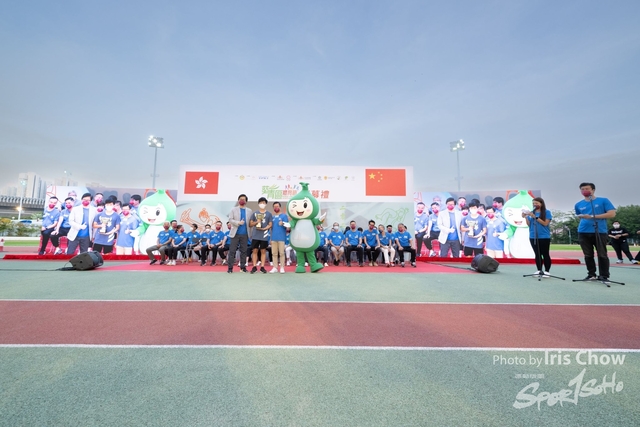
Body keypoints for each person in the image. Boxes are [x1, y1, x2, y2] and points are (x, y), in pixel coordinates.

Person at [575, 182, 616, 281]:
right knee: (588, 255)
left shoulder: (603, 200)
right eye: (582, 189)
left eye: (587, 189)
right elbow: (579, 215)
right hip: (583, 231)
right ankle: (591, 274)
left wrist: (593, 216)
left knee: (602, 254)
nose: (584, 191)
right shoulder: (578, 204)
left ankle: (604, 275)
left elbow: (612, 214)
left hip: (599, 231)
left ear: (593, 190)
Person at [523, 197, 553, 276]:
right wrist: (526, 217)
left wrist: (535, 217)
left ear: (541, 204)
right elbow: (529, 224)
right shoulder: (532, 212)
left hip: (544, 236)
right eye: (533, 203)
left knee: (545, 254)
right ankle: (539, 270)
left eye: (536, 203)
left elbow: (545, 223)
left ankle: (547, 271)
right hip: (533, 236)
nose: (535, 205)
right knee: (537, 254)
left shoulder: (547, 212)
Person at [227, 194, 252, 273]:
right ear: (238, 200)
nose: (242, 200)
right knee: (232, 251)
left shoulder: (249, 211)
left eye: (243, 199)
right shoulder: (233, 209)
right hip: (235, 233)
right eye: (240, 199)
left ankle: (243, 267)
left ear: (246, 201)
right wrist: (238, 222)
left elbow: (250, 222)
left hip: (245, 234)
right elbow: (230, 219)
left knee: (244, 251)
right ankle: (230, 268)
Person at [249, 197, 272, 274]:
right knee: (255, 250)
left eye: (264, 203)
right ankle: (254, 266)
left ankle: (262, 267)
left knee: (263, 251)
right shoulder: (255, 213)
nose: (262, 204)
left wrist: (265, 228)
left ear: (266, 204)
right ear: (258, 203)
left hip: (264, 235)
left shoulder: (269, 214)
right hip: (255, 235)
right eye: (261, 202)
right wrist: (257, 222)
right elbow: (250, 224)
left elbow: (270, 224)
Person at [270, 202, 288, 273]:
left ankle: (282, 267)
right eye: (274, 207)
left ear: (280, 207)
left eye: (277, 206)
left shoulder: (284, 216)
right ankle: (275, 267)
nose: (276, 208)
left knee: (281, 253)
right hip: (274, 238)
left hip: (281, 238)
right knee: (274, 253)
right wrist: (270, 238)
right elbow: (271, 228)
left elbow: (287, 225)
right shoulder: (272, 217)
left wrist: (283, 223)